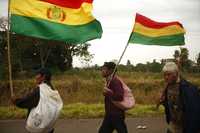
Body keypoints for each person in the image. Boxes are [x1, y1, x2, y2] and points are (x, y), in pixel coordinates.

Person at [157, 62, 200, 133]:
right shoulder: (168, 86)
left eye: (168, 74)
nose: (166, 77)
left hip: (184, 126)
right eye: (164, 75)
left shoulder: (188, 89)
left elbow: (194, 112)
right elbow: (171, 104)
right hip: (173, 124)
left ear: (176, 74)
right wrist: (164, 102)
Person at [11, 68, 55, 133]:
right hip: (48, 125)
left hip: (39, 126)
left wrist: (15, 101)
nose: (35, 77)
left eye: (38, 74)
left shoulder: (40, 90)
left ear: (43, 77)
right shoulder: (51, 89)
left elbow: (27, 101)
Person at [98, 62, 128, 133]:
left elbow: (120, 96)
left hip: (116, 114)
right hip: (110, 114)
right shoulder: (109, 81)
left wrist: (108, 93)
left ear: (111, 70)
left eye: (104, 69)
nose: (102, 71)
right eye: (102, 69)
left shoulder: (115, 81)